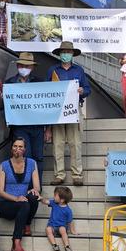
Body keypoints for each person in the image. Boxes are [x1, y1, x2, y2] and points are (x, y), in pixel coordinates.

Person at [45, 41, 91, 186]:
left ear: (72, 54)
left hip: (74, 110)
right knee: (57, 143)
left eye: (68, 52)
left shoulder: (79, 70)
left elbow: (88, 89)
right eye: (63, 52)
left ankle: (77, 174)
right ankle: (59, 175)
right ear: (59, 54)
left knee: (75, 143)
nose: (66, 54)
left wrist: (82, 91)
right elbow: (44, 90)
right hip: (58, 110)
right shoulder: (52, 70)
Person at [0, 52, 45, 186]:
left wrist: (48, 129)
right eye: (22, 65)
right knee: (25, 155)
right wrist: (2, 98)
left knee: (38, 157)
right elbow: (1, 107)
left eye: (28, 66)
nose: (25, 68)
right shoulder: (9, 83)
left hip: (37, 126)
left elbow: (48, 106)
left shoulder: (40, 83)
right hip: (20, 126)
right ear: (18, 65)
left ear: (33, 68)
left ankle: (37, 187)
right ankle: (27, 186)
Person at [0, 137, 41, 251]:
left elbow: (37, 186)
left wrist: (34, 190)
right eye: (15, 146)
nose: (17, 149)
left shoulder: (32, 163)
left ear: (25, 149)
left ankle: (27, 223)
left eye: (20, 146)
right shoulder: (4, 165)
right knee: (24, 203)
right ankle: (16, 243)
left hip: (23, 202)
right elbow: (0, 191)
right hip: (6, 204)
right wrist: (16, 198)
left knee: (33, 196)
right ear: (11, 149)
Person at [41, 186, 76, 251]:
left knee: (63, 229)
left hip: (61, 227)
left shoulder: (68, 210)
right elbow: (46, 202)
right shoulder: (54, 203)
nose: (53, 197)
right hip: (52, 226)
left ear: (62, 200)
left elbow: (70, 221)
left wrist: (72, 231)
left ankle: (67, 246)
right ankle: (55, 246)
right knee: (48, 229)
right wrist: (41, 198)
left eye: (55, 195)